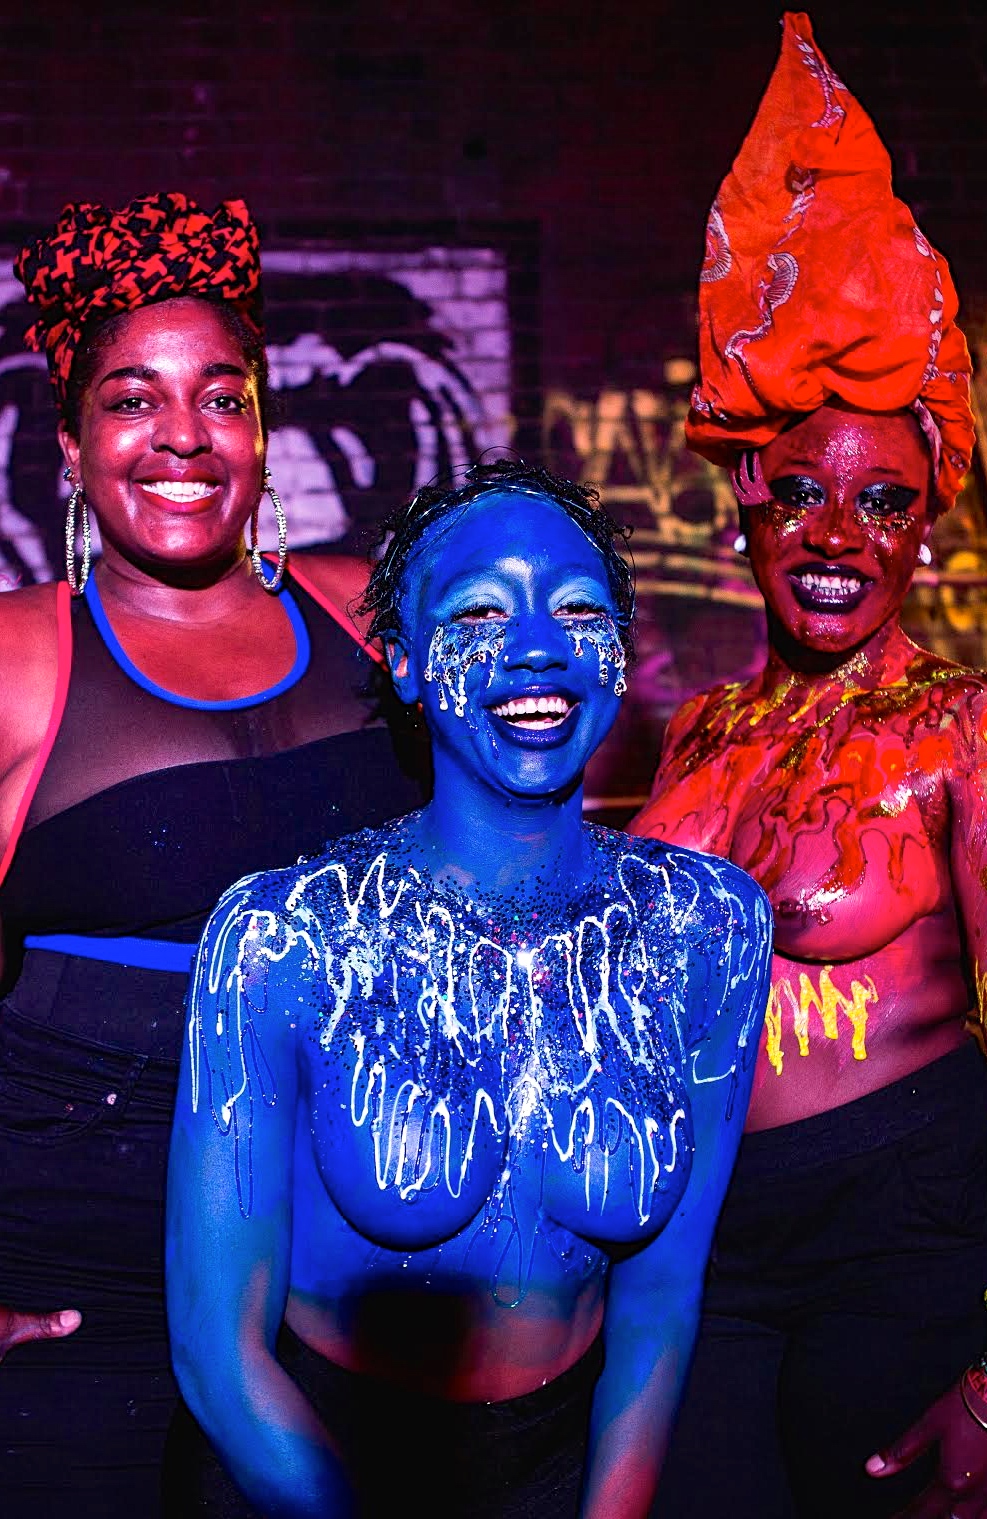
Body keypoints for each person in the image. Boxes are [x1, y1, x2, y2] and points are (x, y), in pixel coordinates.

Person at [631, 15, 987, 1518]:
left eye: (882, 501)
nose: (837, 534)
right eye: (802, 498)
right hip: (705, 1253)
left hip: (890, 1238)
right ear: (746, 516)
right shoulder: (696, 738)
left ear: (927, 526)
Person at [162, 458, 772, 1518]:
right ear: (401, 659)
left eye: (578, 607)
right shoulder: (284, 937)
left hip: (554, 1470)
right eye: (480, 611)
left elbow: (662, 1298)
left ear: (619, 658)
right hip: (299, 1470)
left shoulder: (706, 926)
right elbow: (216, 1347)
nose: (537, 644)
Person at [0, 193, 429, 1515]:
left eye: (221, 397)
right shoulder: (21, 657)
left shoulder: (374, 614)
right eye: (131, 399)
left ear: (262, 431)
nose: (181, 434)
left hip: (359, 1263)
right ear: (71, 448)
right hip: (91, 1281)